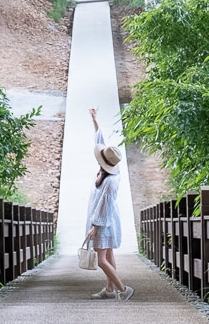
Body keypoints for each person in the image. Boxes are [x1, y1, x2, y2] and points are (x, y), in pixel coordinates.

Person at [86, 107, 134, 301]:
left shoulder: (111, 181)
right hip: (104, 220)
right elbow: (101, 141)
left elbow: (105, 205)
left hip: (104, 222)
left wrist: (94, 227)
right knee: (109, 254)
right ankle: (109, 290)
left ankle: (123, 289)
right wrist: (94, 119)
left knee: (101, 260)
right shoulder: (108, 171)